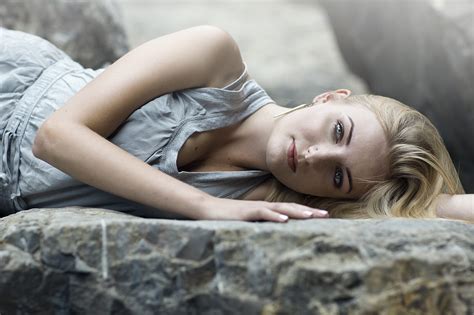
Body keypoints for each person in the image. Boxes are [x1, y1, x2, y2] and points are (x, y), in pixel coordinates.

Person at [0, 25, 472, 222]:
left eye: (337, 176)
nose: (313, 156)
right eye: (337, 131)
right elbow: (56, 137)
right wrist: (205, 207)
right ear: (331, 96)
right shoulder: (214, 58)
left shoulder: (268, 200)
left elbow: (436, 208)